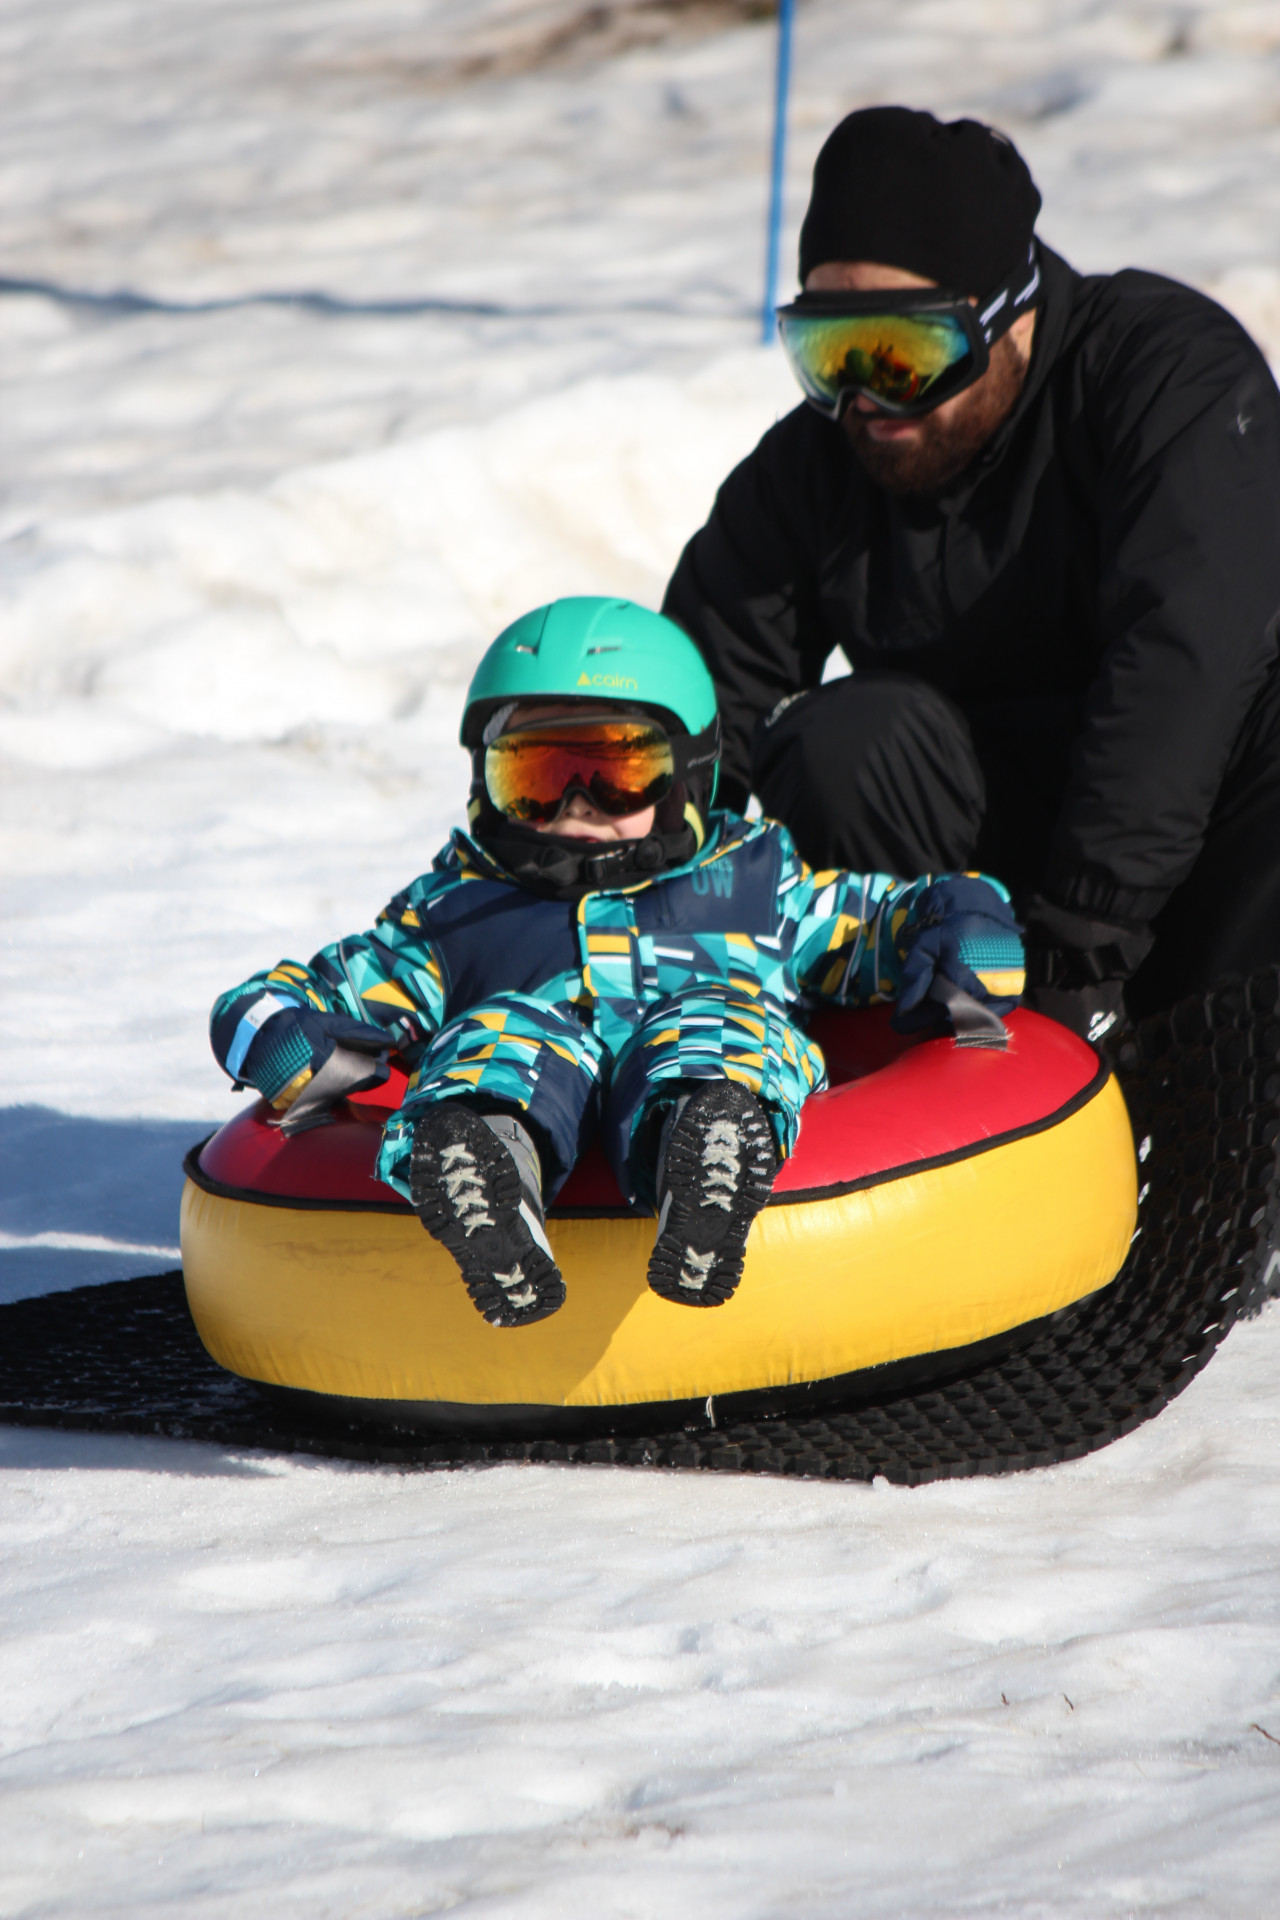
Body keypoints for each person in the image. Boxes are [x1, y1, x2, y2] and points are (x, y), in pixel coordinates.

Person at [209, 595, 1025, 1328]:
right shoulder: (458, 913)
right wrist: (282, 1034)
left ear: (688, 775)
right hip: (536, 1088)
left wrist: (967, 928)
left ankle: (706, 1157)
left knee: (715, 1021)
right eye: (536, 778)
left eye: (616, 776)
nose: (576, 811)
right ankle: (488, 1174)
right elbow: (294, 992)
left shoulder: (757, 888)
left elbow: (886, 917)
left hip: (707, 1071)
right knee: (503, 1032)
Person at [664, 106, 1280, 1045]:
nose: (865, 398)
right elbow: (697, 701)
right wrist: (607, 926)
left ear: (1008, 314)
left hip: (1197, 868)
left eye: (904, 353)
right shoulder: (819, 467)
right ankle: (923, 1071)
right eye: (830, 355)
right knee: (843, 740)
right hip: (977, 905)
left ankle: (1233, 1077)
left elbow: (1183, 658)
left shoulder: (1166, 380)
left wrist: (1085, 944)